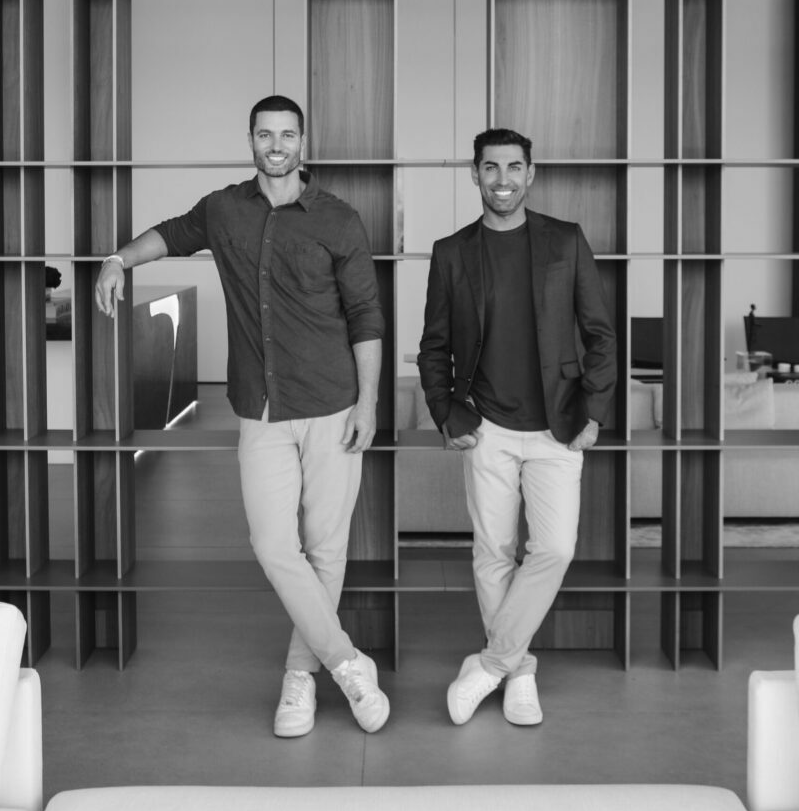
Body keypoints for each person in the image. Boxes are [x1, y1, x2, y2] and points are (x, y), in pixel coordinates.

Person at [95, 95, 389, 738]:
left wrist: (369, 403)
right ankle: (347, 662)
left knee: (327, 549)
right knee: (272, 544)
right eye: (264, 135)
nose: (276, 145)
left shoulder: (339, 219)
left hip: (333, 403)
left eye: (287, 135)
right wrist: (118, 259)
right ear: (250, 140)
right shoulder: (223, 209)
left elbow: (367, 315)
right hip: (260, 405)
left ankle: (299, 675)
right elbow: (169, 235)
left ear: (303, 142)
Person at [418, 127, 616, 727]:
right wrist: (445, 413)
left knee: (554, 548)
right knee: (494, 553)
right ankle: (520, 673)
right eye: (490, 167)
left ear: (530, 174)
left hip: (559, 426)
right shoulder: (452, 252)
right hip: (486, 427)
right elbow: (434, 347)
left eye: (512, 168)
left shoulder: (566, 240)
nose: (501, 179)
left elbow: (600, 336)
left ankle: (493, 664)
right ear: (474, 175)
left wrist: (595, 412)